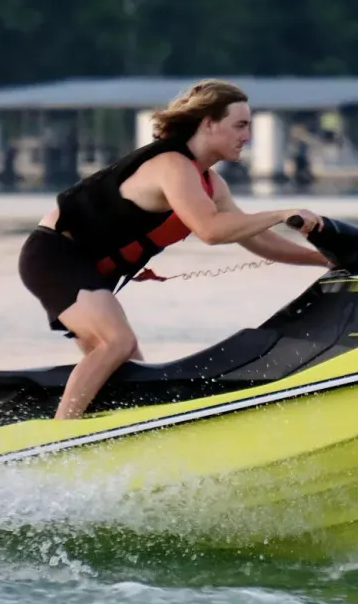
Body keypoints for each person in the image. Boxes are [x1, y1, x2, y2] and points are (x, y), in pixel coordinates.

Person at [19, 80, 326, 420]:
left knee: (130, 368)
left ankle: (112, 435)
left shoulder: (212, 184)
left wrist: (327, 260)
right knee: (116, 343)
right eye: (240, 125)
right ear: (208, 123)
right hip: (54, 256)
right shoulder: (171, 165)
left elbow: (260, 241)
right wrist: (280, 213)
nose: (248, 136)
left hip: (90, 268)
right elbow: (209, 230)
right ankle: (62, 434)